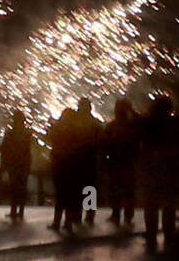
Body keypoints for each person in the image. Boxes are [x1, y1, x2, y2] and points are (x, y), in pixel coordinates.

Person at [140, 94, 179, 249]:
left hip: (152, 166)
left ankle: (151, 232)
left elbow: (141, 141)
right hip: (169, 166)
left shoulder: (147, 123)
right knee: (168, 202)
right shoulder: (174, 124)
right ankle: (168, 232)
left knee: (151, 202)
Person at [69, 98, 104, 226]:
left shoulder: (75, 123)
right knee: (89, 188)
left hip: (77, 159)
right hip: (90, 159)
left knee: (77, 188)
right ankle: (89, 214)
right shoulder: (95, 123)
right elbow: (101, 142)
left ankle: (77, 214)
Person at [105, 97, 138, 226]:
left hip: (115, 162)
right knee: (128, 190)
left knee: (115, 189)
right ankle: (127, 215)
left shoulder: (112, 126)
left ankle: (116, 214)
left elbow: (105, 143)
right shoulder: (132, 127)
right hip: (128, 162)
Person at [47, 106, 79, 230]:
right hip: (74, 165)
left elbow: (50, 138)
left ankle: (57, 222)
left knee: (60, 195)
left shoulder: (59, 127)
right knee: (73, 194)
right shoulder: (77, 129)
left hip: (60, 163)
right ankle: (75, 219)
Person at [1, 110, 33, 219]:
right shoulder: (27, 134)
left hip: (14, 163)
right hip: (23, 163)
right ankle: (20, 211)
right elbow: (28, 150)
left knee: (14, 187)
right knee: (22, 187)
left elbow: (4, 149)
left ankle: (14, 210)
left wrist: (3, 164)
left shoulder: (10, 134)